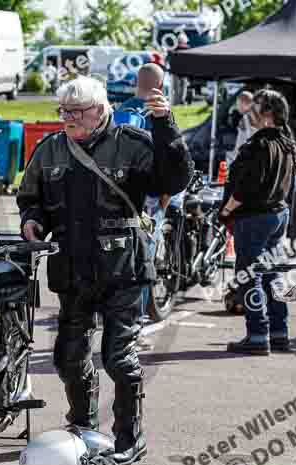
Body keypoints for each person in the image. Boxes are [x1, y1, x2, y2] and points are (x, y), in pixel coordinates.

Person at [16, 76, 192, 465]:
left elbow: (174, 178)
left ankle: (130, 436)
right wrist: (32, 221)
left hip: (123, 268)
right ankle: (83, 425)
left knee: (119, 357)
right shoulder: (50, 149)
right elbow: (31, 198)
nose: (68, 120)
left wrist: (166, 126)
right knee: (68, 357)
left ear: (100, 110)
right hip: (72, 270)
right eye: (63, 112)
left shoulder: (132, 143)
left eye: (76, 113)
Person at [218, 89, 295, 356]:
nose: (249, 113)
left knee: (251, 277)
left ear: (268, 115)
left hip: (256, 217)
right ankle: (278, 333)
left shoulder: (259, 146)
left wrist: (226, 210)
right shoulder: (286, 143)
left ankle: (258, 335)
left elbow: (246, 187)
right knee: (272, 274)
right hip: (277, 214)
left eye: (256, 108)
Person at [120, 64, 185, 344]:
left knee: (120, 259)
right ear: (160, 86)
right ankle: (135, 328)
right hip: (148, 201)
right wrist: (165, 198)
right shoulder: (158, 114)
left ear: (137, 82)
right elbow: (171, 161)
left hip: (117, 198)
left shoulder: (116, 112)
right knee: (144, 263)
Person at [228, 91, 255, 165]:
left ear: (244, 103)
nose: (237, 106)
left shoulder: (247, 119)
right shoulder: (251, 116)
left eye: (238, 104)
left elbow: (247, 140)